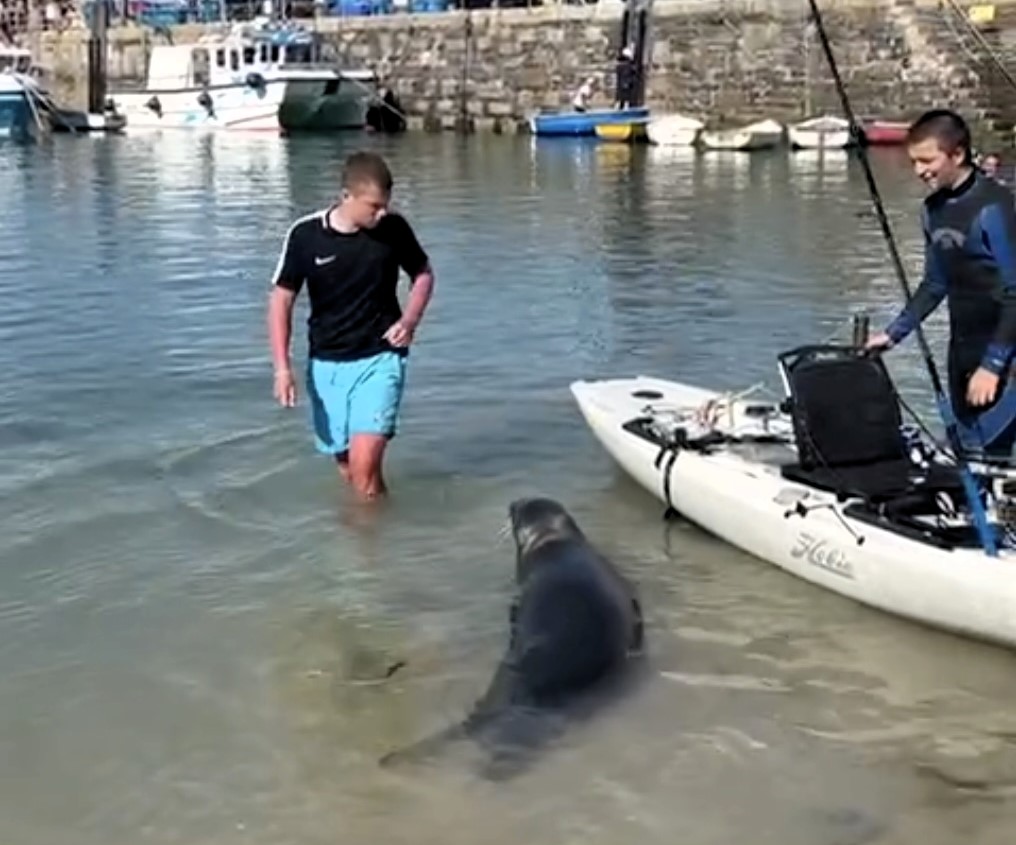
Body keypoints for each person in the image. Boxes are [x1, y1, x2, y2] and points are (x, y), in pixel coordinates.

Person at [267, 151, 435, 500]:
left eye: (385, 205)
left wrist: (410, 319)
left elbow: (423, 274)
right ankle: (379, 534)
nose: (382, 213)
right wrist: (282, 368)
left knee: (362, 467)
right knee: (352, 471)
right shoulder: (305, 235)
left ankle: (366, 550)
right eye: (373, 206)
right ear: (346, 197)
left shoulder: (393, 229)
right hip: (326, 364)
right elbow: (281, 299)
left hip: (381, 358)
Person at [865, 109, 1016, 456]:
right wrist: (894, 333)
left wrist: (993, 366)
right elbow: (935, 283)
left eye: (927, 160)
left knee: (987, 449)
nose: (919, 171)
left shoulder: (995, 207)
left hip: (1005, 358)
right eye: (914, 162)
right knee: (967, 451)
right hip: (962, 353)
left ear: (957, 154)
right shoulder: (932, 210)